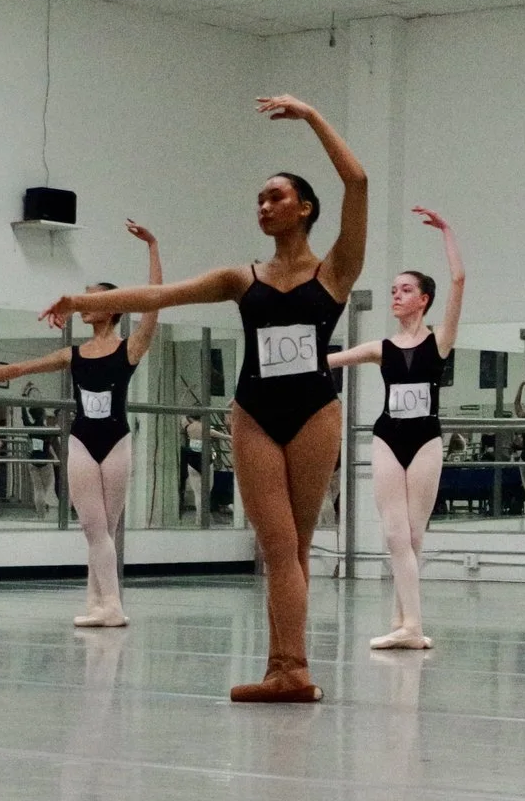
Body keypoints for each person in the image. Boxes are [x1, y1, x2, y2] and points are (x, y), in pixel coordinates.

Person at [43, 96, 365, 703]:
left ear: (306, 208)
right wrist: (81, 302)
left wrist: (312, 116)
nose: (264, 206)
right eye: (260, 199)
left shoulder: (336, 272)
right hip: (255, 415)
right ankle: (288, 669)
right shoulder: (241, 278)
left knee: (295, 547)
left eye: (276, 197)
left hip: (316, 412)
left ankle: (287, 670)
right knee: (277, 547)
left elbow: (359, 180)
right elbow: (164, 294)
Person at [0, 221, 162, 627]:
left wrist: (153, 247)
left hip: (117, 440)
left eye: (92, 300)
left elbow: (155, 302)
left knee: (105, 529)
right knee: (93, 526)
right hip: (83, 441)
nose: (83, 306)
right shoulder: (74, 354)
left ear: (115, 307)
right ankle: (101, 604)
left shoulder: (130, 348)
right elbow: (19, 368)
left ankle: (109, 606)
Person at [327, 207, 465, 651]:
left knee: (414, 535)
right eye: (393, 290)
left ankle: (406, 621)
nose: (397, 296)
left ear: (423, 298)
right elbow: (327, 361)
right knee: (393, 533)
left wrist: (446, 231)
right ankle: (409, 625)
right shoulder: (380, 348)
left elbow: (459, 282)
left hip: (425, 439)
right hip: (388, 436)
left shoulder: (439, 340)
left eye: (406, 290)